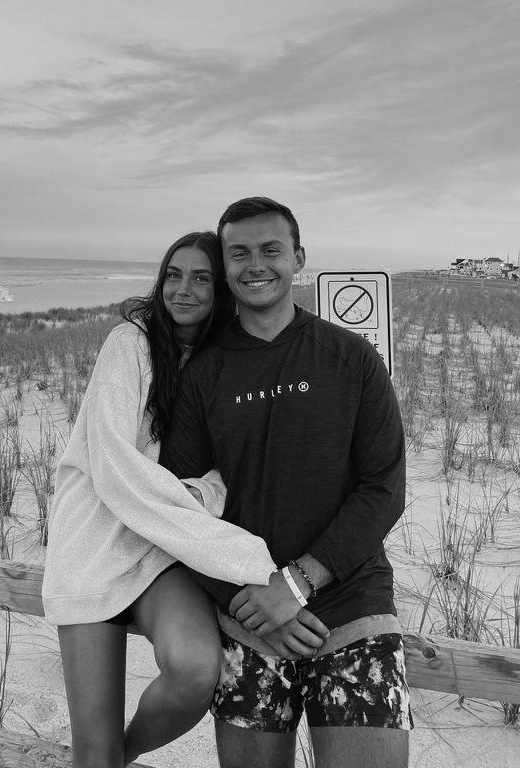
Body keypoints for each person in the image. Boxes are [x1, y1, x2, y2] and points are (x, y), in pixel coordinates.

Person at [42, 230, 329, 768]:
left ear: (221, 288)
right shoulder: (129, 344)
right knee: (92, 750)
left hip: (163, 548)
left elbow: (231, 470)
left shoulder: (226, 363)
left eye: (201, 278)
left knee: (196, 671)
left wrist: (199, 493)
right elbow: (115, 467)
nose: (183, 289)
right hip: (94, 543)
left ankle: (115, 757)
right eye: (173, 275)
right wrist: (251, 561)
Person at [159, 198, 411, 768]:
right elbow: (178, 507)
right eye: (239, 253)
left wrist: (294, 586)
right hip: (246, 619)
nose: (256, 265)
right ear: (225, 269)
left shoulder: (351, 357)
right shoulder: (203, 374)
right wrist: (246, 601)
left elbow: (383, 488)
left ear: (298, 258)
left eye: (270, 250)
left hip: (353, 610)